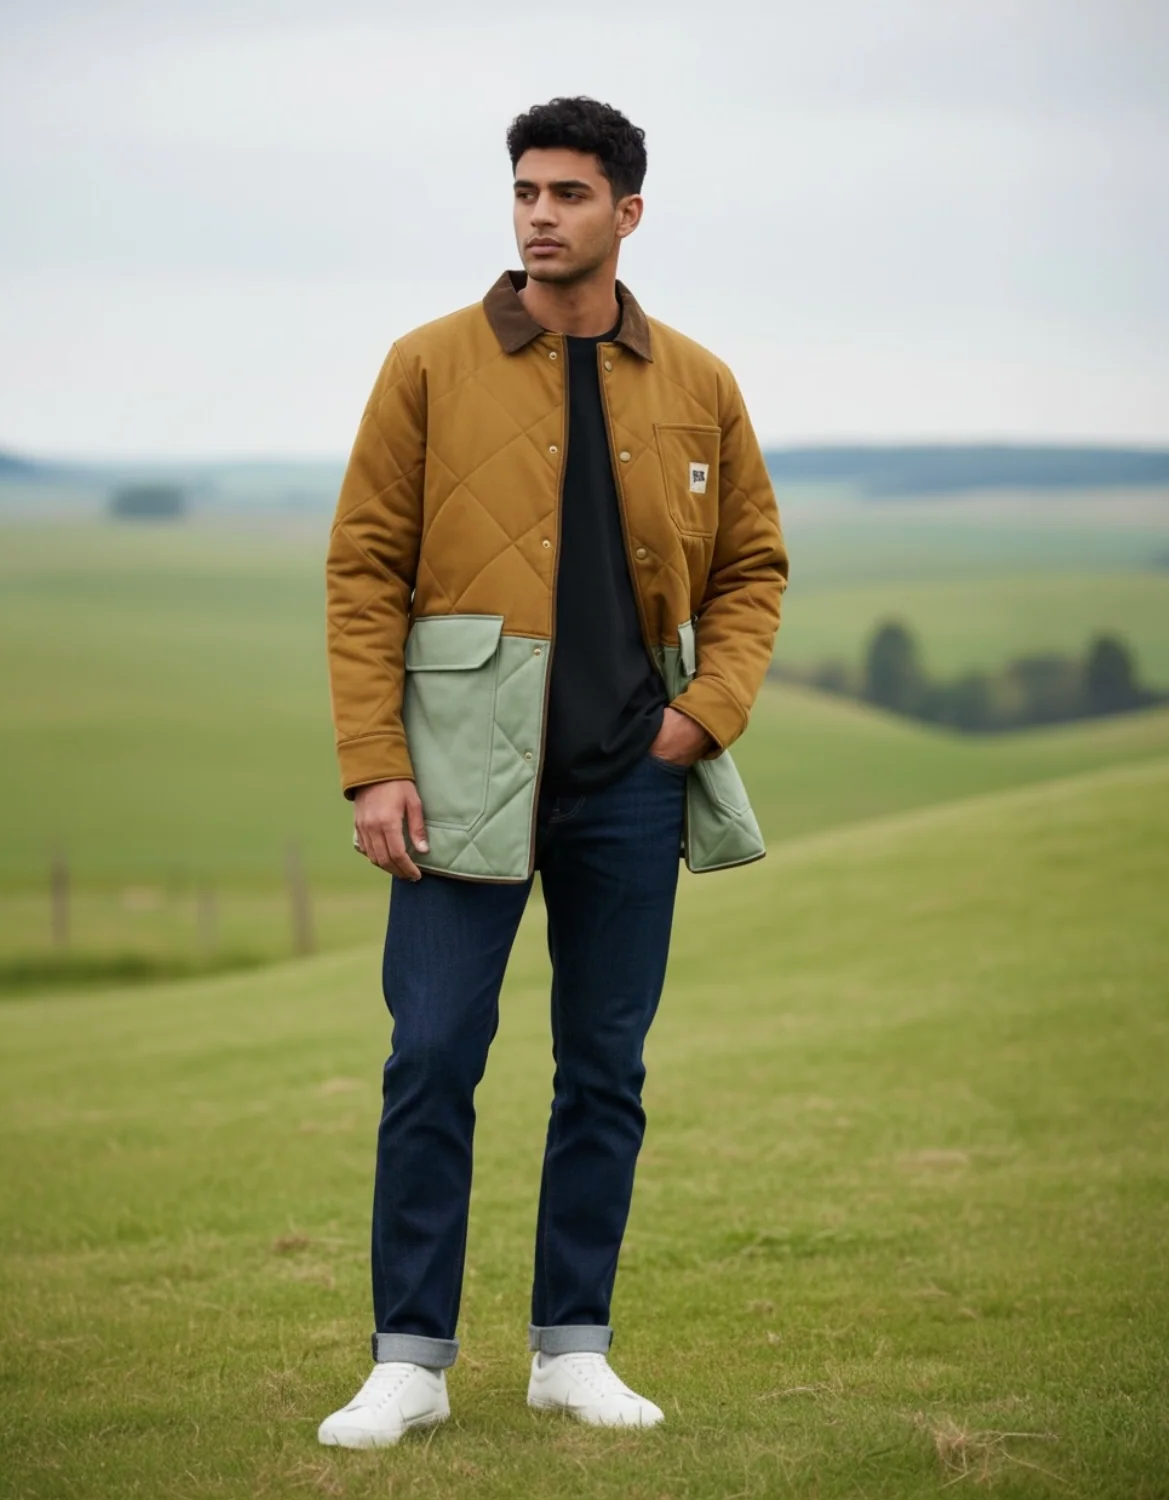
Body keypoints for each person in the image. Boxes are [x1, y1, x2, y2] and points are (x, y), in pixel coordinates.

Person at [318, 95, 789, 1448]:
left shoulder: (698, 381)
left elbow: (753, 565)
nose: (540, 213)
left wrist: (705, 716)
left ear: (627, 213)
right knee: (434, 1055)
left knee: (604, 1069)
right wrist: (373, 767)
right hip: (461, 778)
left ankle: (570, 1349)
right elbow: (362, 575)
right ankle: (409, 1359)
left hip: (632, 779)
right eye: (527, 189)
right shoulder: (427, 365)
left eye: (571, 193)